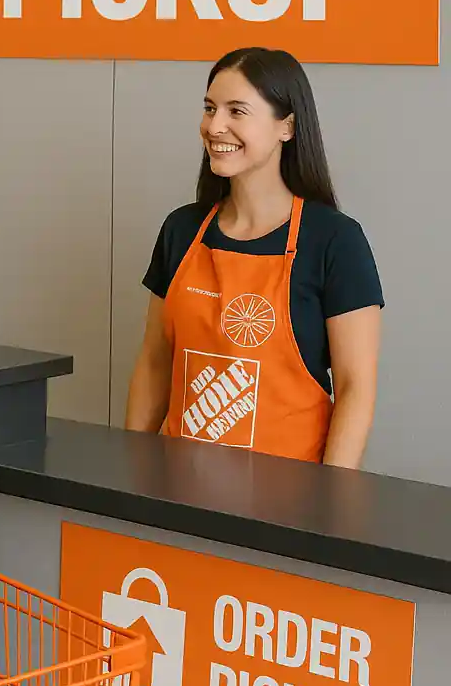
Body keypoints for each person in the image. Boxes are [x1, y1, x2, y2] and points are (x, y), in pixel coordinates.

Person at [124, 48, 382, 468]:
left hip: (287, 502)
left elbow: (356, 387)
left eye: (236, 110)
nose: (215, 125)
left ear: (287, 126)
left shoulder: (335, 241)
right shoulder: (182, 230)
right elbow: (155, 361)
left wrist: (331, 500)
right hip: (176, 486)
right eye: (210, 108)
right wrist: (130, 467)